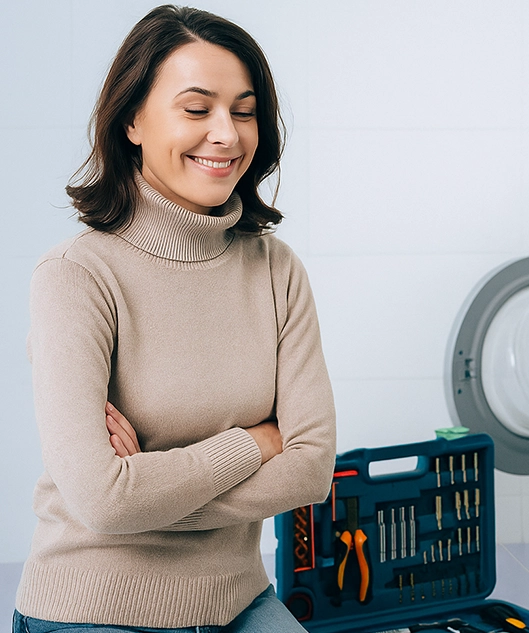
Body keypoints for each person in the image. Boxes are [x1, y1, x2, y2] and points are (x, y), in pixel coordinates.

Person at [13, 5, 336, 632]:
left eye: (244, 112)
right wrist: (254, 443)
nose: (226, 135)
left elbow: (311, 469)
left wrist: (144, 494)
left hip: (240, 600)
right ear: (132, 120)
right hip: (93, 607)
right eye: (196, 109)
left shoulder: (276, 268)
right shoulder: (76, 276)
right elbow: (102, 501)